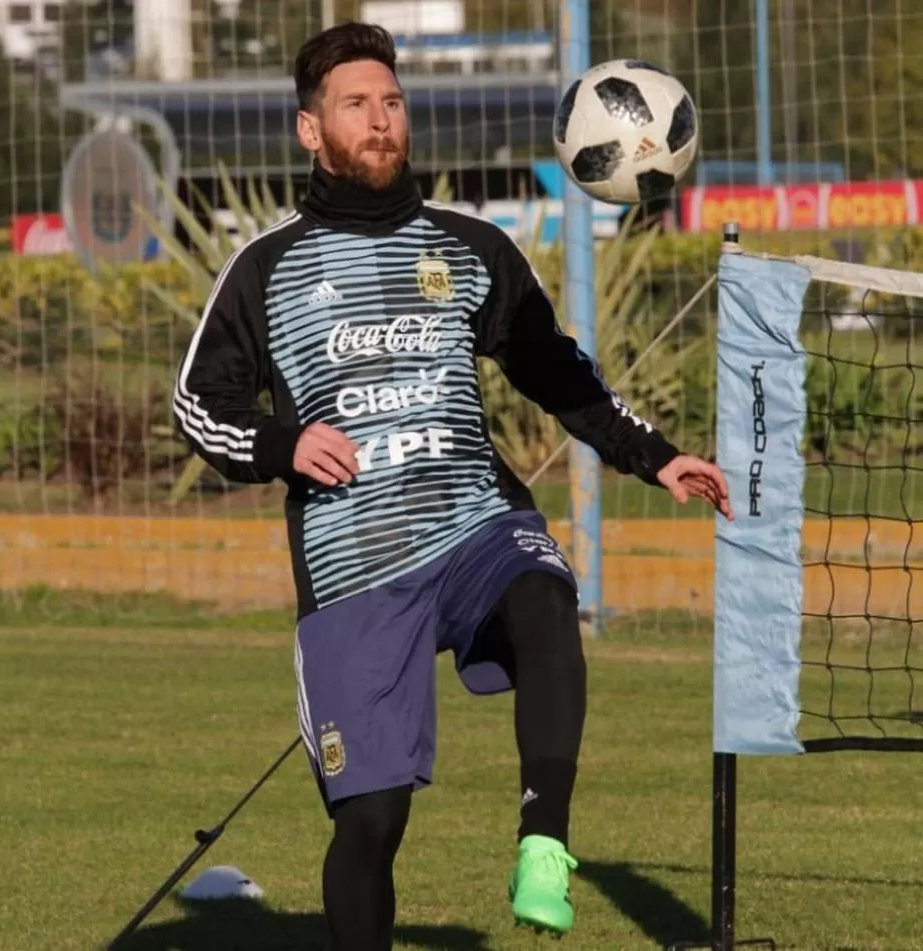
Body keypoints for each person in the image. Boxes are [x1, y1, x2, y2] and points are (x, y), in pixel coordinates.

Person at [173, 20, 732, 950]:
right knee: (371, 822)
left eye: (392, 103)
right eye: (356, 105)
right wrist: (282, 441)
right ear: (312, 131)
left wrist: (656, 455)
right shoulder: (265, 269)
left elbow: (558, 372)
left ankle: (544, 843)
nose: (382, 121)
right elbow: (198, 405)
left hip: (472, 521)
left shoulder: (471, 249)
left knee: (546, 592)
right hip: (353, 566)